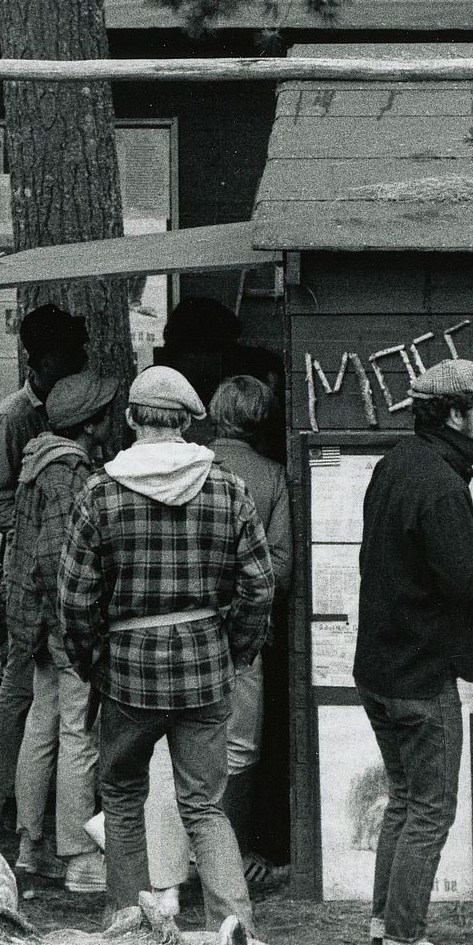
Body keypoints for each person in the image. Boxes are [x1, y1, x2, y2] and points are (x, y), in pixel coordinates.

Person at [59, 366, 273, 938]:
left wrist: (92, 663)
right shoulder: (228, 488)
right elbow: (259, 586)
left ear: (131, 419)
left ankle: (128, 923)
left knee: (123, 797)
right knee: (204, 806)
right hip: (205, 667)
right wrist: (234, 652)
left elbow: (75, 600)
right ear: (186, 423)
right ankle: (235, 929)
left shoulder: (100, 493)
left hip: (128, 672)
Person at [352, 358, 473, 945]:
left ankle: (383, 933)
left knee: (404, 803)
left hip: (380, 667)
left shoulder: (396, 464)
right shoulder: (442, 485)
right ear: (455, 414)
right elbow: (463, 576)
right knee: (430, 812)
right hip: (420, 674)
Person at [7, 368, 127, 892]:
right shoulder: (68, 473)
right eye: (104, 414)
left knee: (42, 724)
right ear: (90, 423)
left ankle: (30, 845)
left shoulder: (38, 461)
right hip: (61, 622)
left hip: (34, 618)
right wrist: (76, 632)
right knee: (78, 731)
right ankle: (78, 856)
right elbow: (59, 560)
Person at [0, 305, 89, 829]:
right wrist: (32, 533)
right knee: (22, 685)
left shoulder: (74, 406)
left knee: (49, 697)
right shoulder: (13, 416)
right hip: (29, 574)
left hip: (66, 571)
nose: (79, 360)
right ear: (39, 360)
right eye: (69, 353)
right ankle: (6, 791)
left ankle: (41, 799)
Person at [206, 374, 294, 894]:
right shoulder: (273, 476)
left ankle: (174, 858)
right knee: (239, 749)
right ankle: (229, 852)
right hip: (245, 632)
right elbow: (280, 566)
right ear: (262, 421)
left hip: (180, 627)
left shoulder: (190, 466)